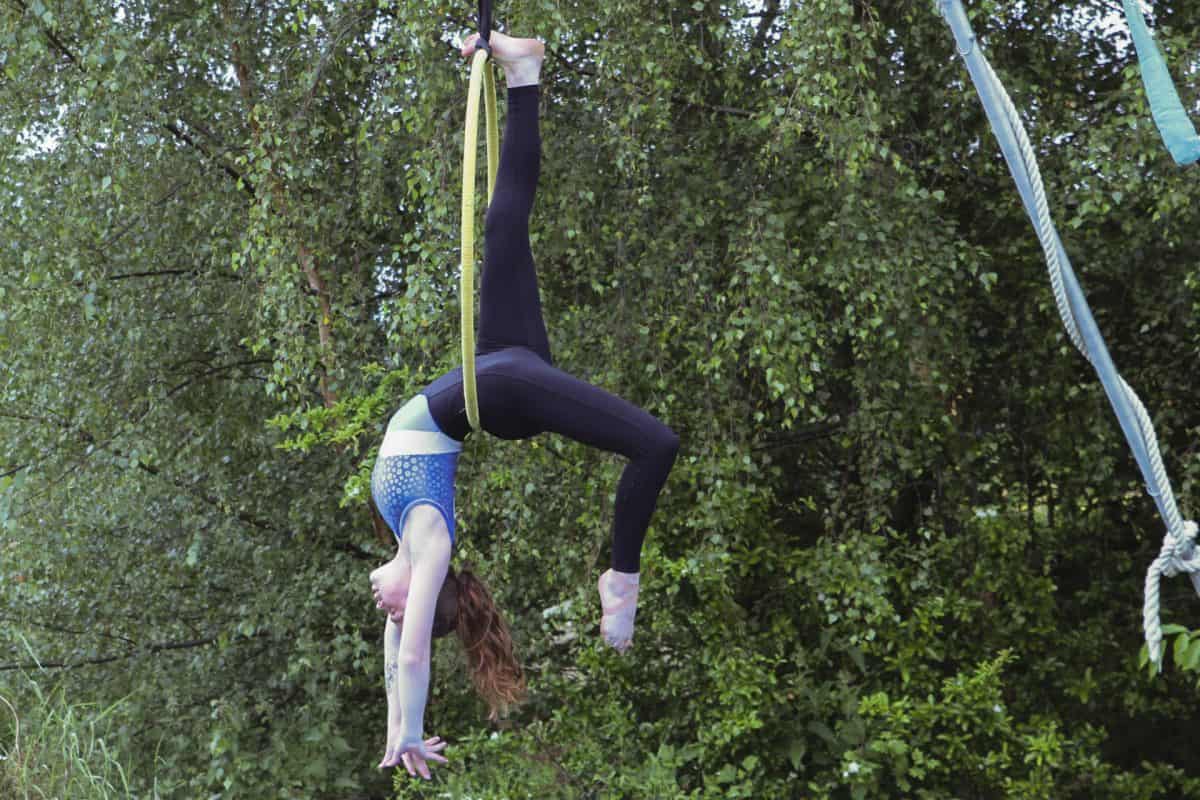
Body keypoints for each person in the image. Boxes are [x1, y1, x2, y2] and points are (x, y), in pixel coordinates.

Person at [368, 30, 680, 780]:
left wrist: (393, 732)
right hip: (499, 389)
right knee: (657, 444)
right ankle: (621, 581)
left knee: (506, 226)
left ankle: (527, 72)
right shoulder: (429, 539)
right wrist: (415, 728)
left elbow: (395, 653)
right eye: (396, 612)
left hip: (500, 379)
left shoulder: (404, 547)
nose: (380, 609)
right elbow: (411, 649)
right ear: (424, 597)